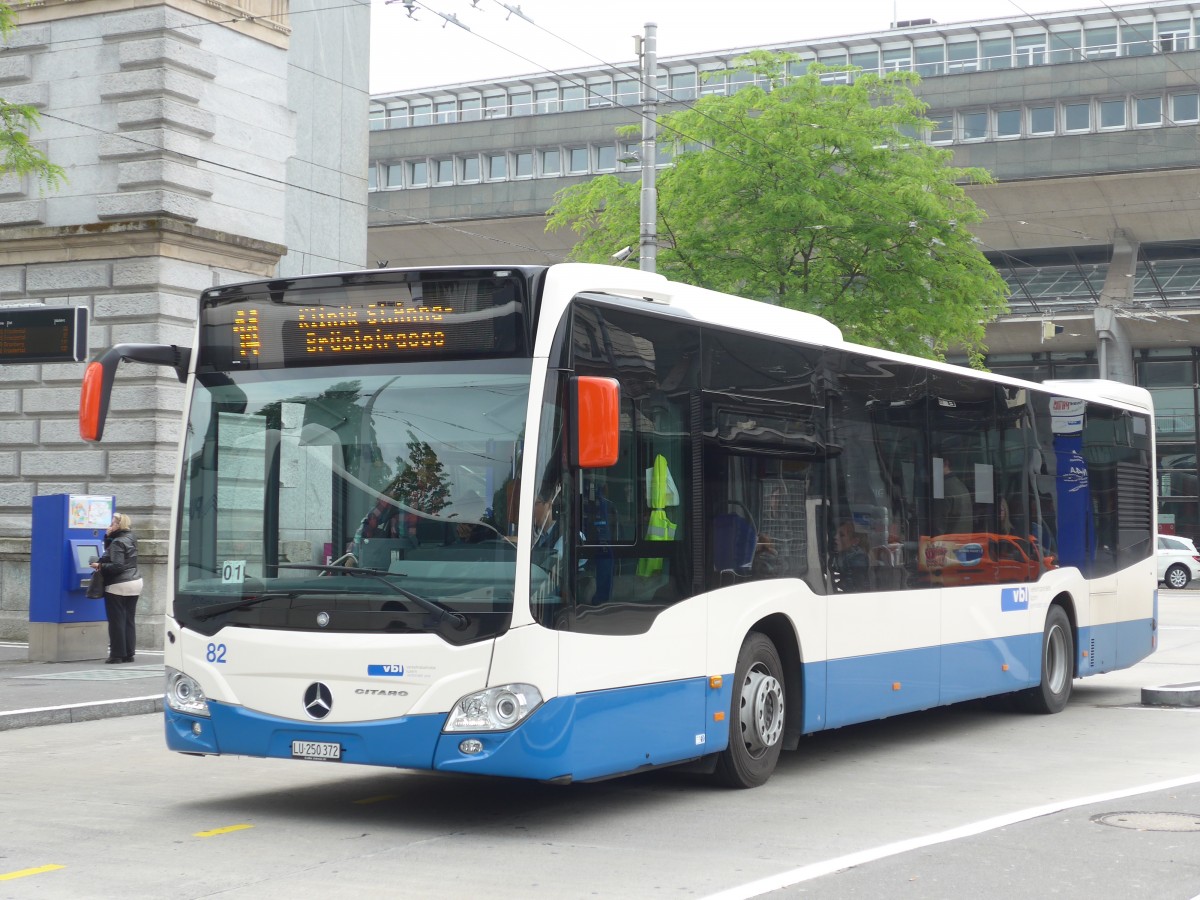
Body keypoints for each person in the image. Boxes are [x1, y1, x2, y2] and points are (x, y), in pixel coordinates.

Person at [90, 512, 143, 664]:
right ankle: (128, 653)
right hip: (135, 581)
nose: (109, 526)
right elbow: (113, 555)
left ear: (119, 525)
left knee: (116, 620)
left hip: (119, 584)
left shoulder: (118, 542)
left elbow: (117, 565)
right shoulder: (131, 537)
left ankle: (116, 655)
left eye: (112, 523)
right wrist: (107, 538)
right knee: (128, 619)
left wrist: (99, 565)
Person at [935, 459, 973, 535]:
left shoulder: (944, 488)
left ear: (945, 463)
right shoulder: (960, 485)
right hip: (964, 540)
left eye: (935, 463)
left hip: (949, 542)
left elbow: (939, 525)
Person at [831, 519, 869, 592]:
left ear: (855, 541)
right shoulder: (841, 554)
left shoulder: (858, 559)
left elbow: (854, 587)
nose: (835, 537)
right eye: (836, 533)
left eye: (841, 535)